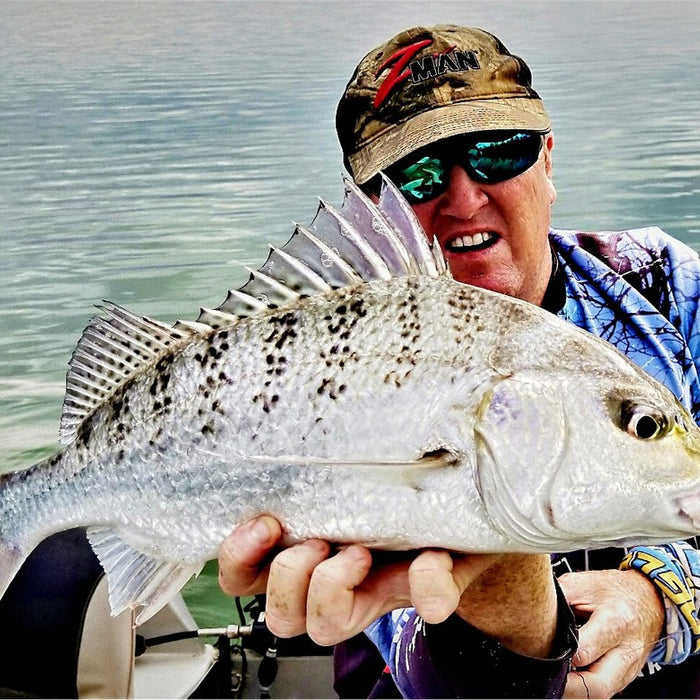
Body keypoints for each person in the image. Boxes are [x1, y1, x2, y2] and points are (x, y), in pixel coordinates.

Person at [218, 25, 700, 698]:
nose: (464, 197)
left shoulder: (667, 286)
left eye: (497, 151)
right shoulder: (351, 354)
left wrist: (663, 597)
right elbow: (433, 671)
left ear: (548, 160)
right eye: (416, 173)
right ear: (372, 212)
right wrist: (507, 594)